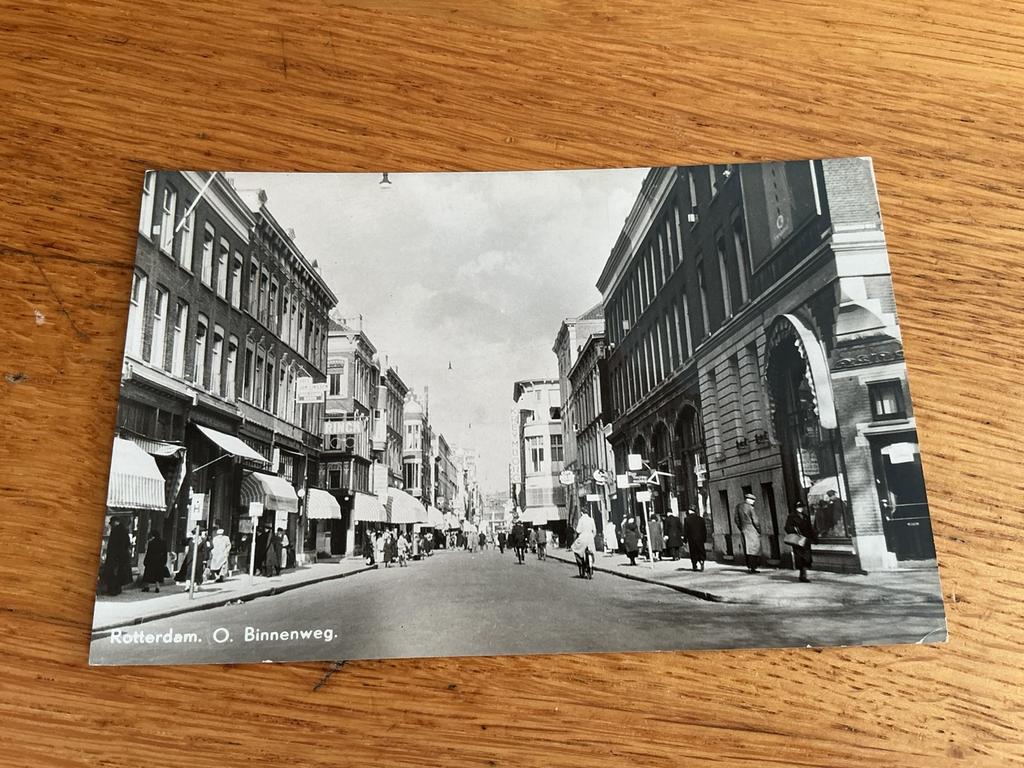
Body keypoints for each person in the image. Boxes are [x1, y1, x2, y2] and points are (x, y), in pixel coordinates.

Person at [785, 501, 819, 582]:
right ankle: (803, 575)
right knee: (801, 557)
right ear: (796, 508)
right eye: (798, 507)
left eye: (801, 507)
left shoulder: (805, 516)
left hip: (806, 540)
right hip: (798, 540)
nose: (800, 509)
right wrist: (794, 531)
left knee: (807, 558)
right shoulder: (791, 517)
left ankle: (803, 573)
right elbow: (787, 527)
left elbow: (810, 528)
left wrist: (814, 538)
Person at [100, 517, 133, 595]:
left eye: (111, 523)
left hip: (116, 557)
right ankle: (117, 589)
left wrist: (115, 556)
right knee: (118, 573)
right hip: (121, 557)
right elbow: (127, 544)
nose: (110, 525)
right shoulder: (123, 530)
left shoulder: (116, 531)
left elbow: (115, 546)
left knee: (114, 573)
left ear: (115, 522)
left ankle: (113, 590)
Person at [734, 493, 762, 573]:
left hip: (744, 529)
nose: (753, 502)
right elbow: (755, 520)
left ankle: (749, 566)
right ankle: (753, 567)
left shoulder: (738, 507)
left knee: (747, 549)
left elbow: (736, 519)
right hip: (752, 530)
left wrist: (741, 527)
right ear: (748, 500)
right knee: (754, 549)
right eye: (752, 500)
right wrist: (759, 529)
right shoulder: (750, 508)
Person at [175, 524, 207, 589]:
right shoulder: (190, 540)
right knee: (188, 572)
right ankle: (187, 586)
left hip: (199, 559)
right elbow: (183, 543)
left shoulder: (203, 541)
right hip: (189, 558)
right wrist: (187, 536)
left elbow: (205, 550)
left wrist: (205, 559)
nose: (195, 535)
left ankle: (195, 586)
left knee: (197, 572)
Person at [571, 509, 597, 577]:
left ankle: (581, 563)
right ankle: (591, 564)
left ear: (582, 513)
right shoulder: (591, 519)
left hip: (583, 537)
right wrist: (592, 537)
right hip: (590, 538)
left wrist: (576, 536)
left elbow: (578, 530)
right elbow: (594, 531)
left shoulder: (581, 520)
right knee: (591, 551)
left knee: (574, 548)